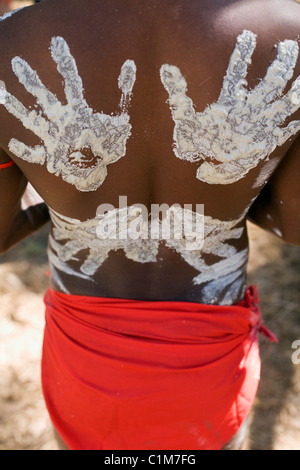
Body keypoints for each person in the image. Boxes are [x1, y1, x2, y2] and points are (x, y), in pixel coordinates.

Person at [0, 0, 299, 451]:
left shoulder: (13, 41)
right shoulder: (287, 37)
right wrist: (231, 192)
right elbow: (294, 225)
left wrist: (69, 206)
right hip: (210, 369)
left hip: (85, 368)